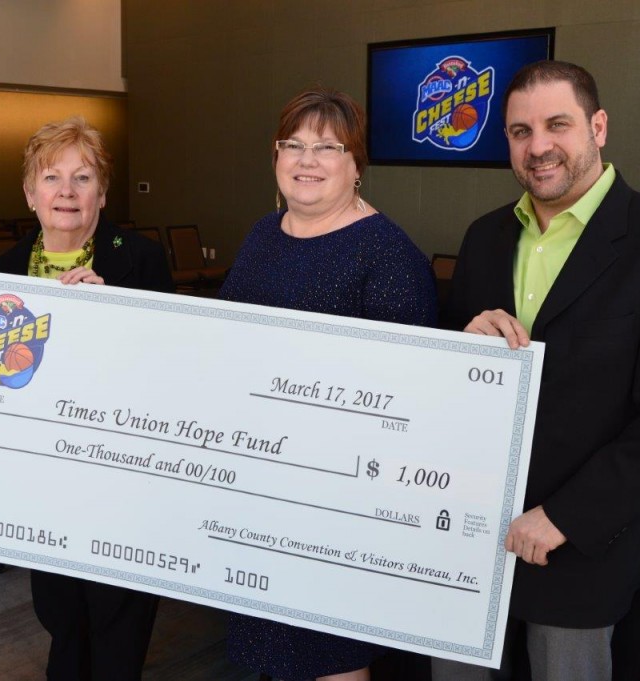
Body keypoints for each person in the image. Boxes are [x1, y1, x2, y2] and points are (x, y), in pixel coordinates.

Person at [435, 61, 640, 680]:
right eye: (519, 131)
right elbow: (452, 381)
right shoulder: (484, 237)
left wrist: (568, 516)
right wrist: (461, 342)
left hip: (583, 544)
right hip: (467, 527)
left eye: (556, 124)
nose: (538, 146)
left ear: (598, 127)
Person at [220, 88, 437, 681]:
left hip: (337, 509)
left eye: (326, 147)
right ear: (275, 155)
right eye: (294, 145)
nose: (307, 160)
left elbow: (407, 406)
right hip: (258, 493)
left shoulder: (389, 256)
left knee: (329, 658)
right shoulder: (264, 235)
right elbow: (216, 347)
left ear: (356, 165)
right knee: (267, 648)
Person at [0, 116, 171, 680]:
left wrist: (118, 317)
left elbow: (175, 370)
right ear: (29, 192)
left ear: (103, 193)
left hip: (126, 484)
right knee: (62, 620)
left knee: (118, 628)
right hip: (45, 486)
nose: (66, 191)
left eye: (82, 177)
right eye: (51, 177)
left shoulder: (140, 261)